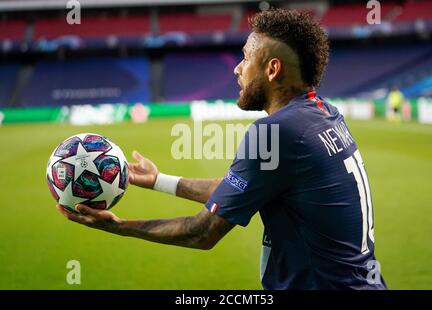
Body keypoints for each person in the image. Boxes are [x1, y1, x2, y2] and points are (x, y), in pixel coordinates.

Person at [57, 9, 387, 290]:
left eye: (245, 58)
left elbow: (201, 233)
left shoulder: (276, 132)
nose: (237, 68)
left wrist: (117, 226)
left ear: (272, 69)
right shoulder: (324, 113)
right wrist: (159, 180)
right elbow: (237, 189)